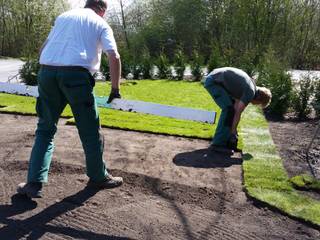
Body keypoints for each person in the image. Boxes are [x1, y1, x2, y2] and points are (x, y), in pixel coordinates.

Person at [17, 0, 123, 198]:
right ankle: (98, 176)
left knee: (45, 129)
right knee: (90, 130)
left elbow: (43, 48)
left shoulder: (64, 17)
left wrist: (47, 69)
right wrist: (115, 88)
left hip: (47, 73)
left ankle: (33, 183)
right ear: (102, 10)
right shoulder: (100, 23)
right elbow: (114, 56)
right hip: (76, 77)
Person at [204, 67, 271, 153]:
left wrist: (234, 130)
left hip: (215, 78)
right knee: (228, 110)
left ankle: (223, 140)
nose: (255, 104)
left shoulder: (251, 86)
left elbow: (236, 107)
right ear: (259, 98)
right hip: (214, 82)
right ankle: (217, 144)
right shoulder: (250, 92)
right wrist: (233, 132)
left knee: (231, 110)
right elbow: (238, 113)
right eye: (258, 103)